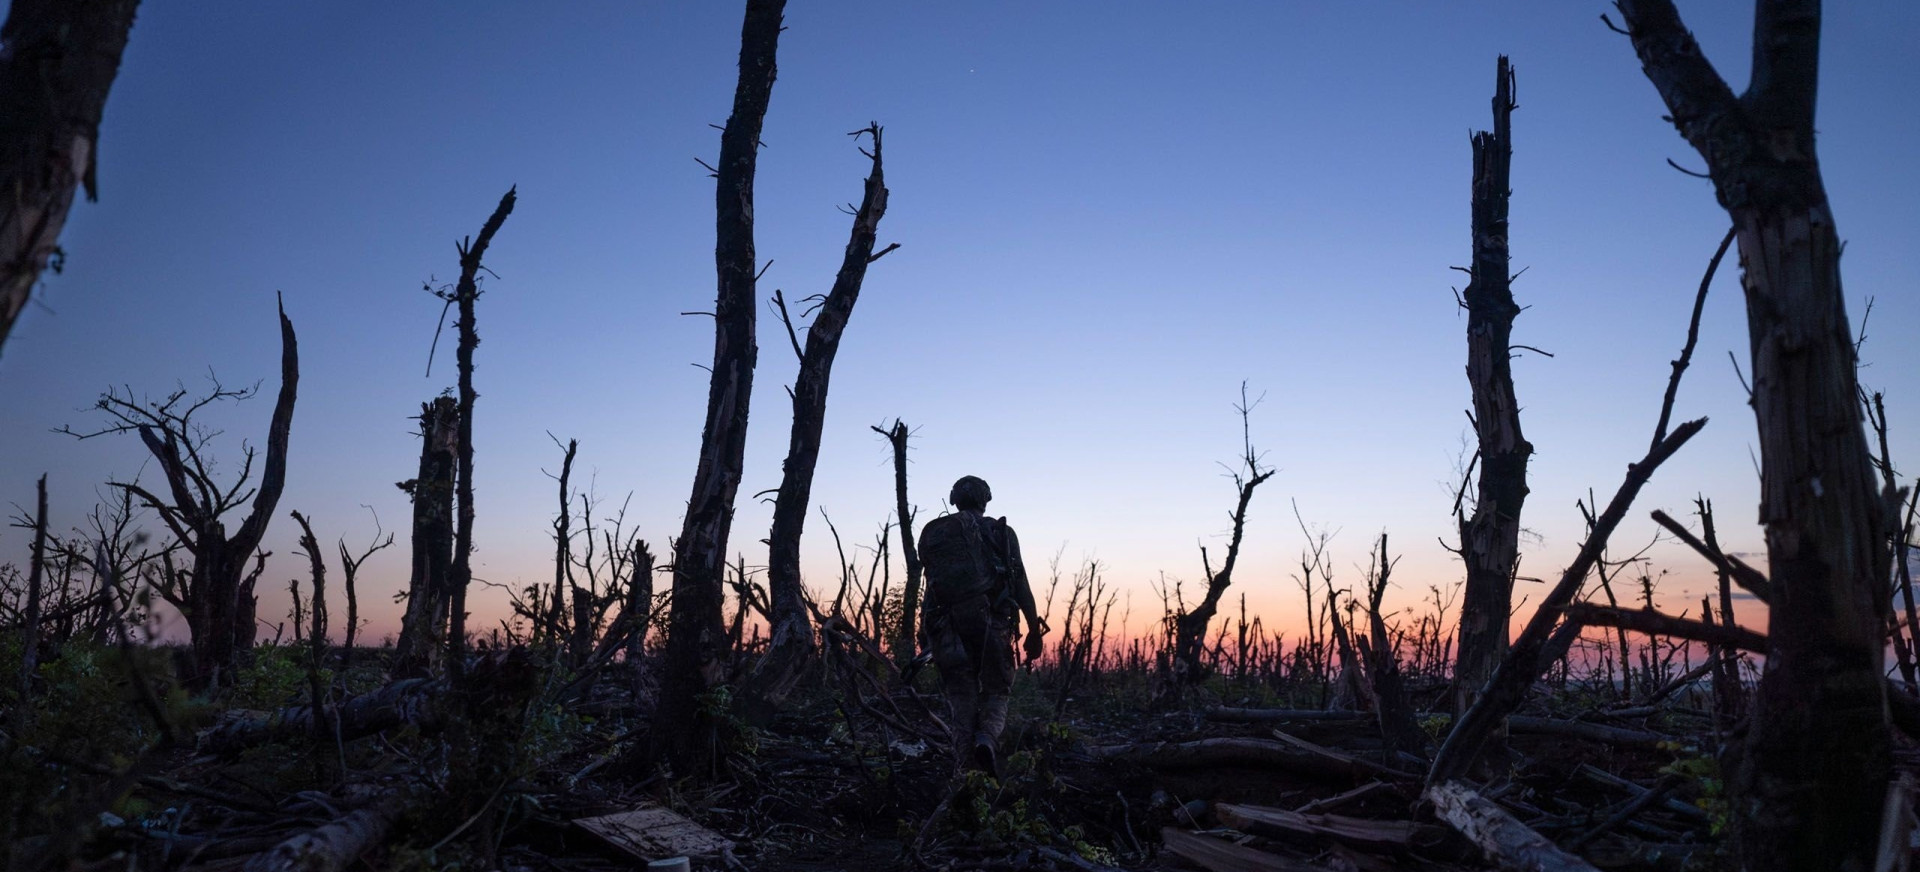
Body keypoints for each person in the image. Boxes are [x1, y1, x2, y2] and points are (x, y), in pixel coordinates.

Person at [916, 475, 1045, 774]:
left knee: (961, 693)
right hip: (990, 622)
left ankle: (964, 766)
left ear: (954, 499)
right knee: (997, 690)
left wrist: (926, 634)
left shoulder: (935, 533)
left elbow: (930, 588)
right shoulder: (1001, 532)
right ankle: (986, 738)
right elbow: (1020, 582)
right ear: (985, 500)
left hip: (945, 624)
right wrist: (1034, 630)